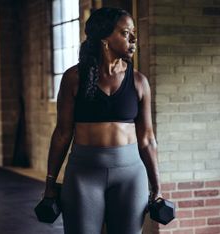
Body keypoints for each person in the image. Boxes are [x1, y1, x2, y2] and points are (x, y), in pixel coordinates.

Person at [43, 7, 161, 234]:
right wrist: (50, 183)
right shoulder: (73, 78)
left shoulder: (138, 81)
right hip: (83, 175)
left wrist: (157, 187)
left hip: (130, 176)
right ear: (105, 39)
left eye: (133, 33)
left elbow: (147, 139)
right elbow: (62, 133)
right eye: (126, 33)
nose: (134, 39)